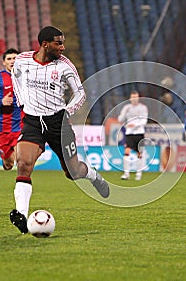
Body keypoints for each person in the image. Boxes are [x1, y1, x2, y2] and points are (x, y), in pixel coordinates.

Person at [9, 26, 109, 234]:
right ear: (45, 44)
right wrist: (21, 102)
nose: (63, 47)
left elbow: (80, 93)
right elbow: (14, 75)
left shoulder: (65, 66)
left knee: (72, 172)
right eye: (58, 43)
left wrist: (68, 111)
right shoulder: (23, 60)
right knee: (24, 164)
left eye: (63, 42)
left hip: (58, 124)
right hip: (33, 122)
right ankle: (21, 214)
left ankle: (93, 176)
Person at [117, 90, 148, 181]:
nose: (134, 99)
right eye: (133, 97)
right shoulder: (126, 107)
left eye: (136, 97)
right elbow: (120, 119)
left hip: (139, 132)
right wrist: (124, 116)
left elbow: (144, 120)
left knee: (139, 153)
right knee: (126, 151)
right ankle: (126, 174)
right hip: (129, 133)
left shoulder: (143, 108)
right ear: (130, 98)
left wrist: (135, 125)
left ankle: (139, 174)